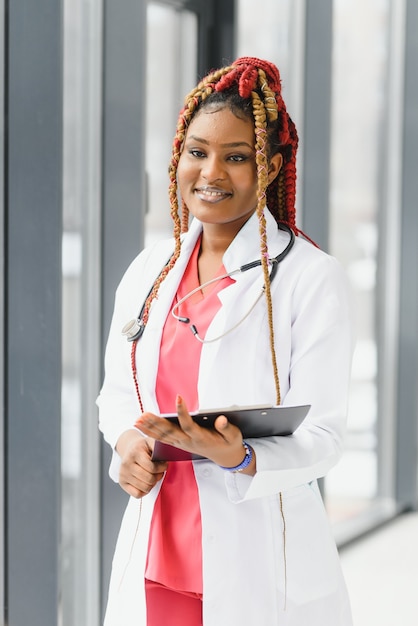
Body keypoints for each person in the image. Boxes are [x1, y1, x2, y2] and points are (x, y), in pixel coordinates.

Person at [97, 56, 353, 626]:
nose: (210, 172)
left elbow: (327, 436)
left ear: (271, 166)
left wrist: (240, 457)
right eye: (197, 152)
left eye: (236, 157)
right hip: (158, 546)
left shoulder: (310, 278)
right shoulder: (150, 269)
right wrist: (125, 446)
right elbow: (117, 396)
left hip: (256, 551)